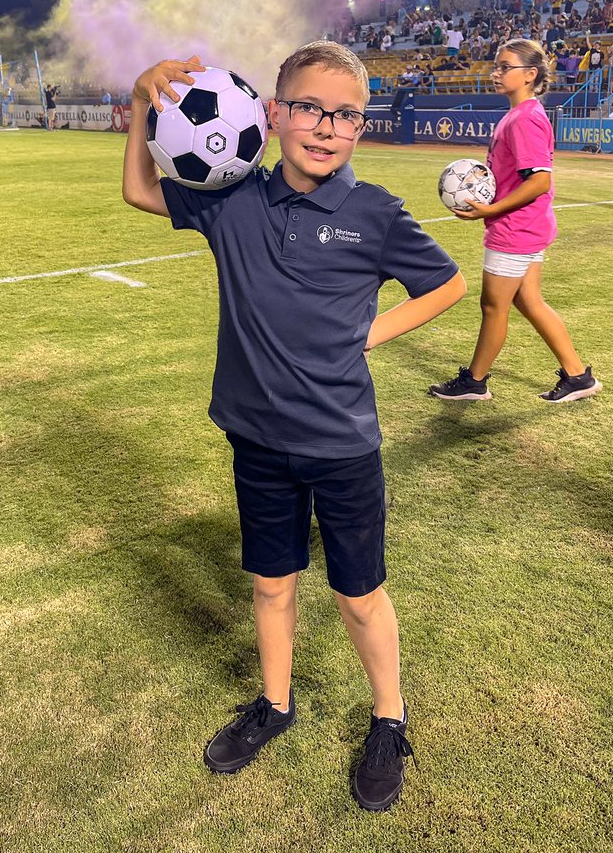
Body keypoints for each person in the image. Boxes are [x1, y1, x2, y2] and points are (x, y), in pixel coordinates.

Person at [122, 42, 466, 811]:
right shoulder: (231, 196)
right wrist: (144, 104)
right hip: (256, 439)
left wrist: (371, 335)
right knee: (272, 584)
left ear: (359, 128)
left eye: (345, 115)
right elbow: (140, 192)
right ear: (273, 114)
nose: (325, 127)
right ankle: (275, 706)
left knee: (358, 596)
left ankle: (389, 717)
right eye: (309, 108)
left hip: (343, 446)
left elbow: (445, 283)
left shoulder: (373, 212)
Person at [429, 38, 602, 405]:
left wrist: (489, 211)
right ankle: (577, 375)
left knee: (493, 306)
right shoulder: (518, 115)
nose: (496, 72)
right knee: (529, 301)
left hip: (515, 228)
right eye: (496, 65)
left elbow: (540, 181)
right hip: (526, 225)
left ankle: (475, 381)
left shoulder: (525, 118)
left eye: (505, 67)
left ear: (530, 74)